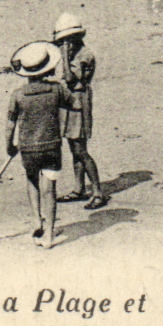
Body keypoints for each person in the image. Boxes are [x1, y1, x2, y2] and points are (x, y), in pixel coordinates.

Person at [6, 40, 75, 248]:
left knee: (31, 180)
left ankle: (37, 220)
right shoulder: (57, 89)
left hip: (28, 148)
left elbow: (10, 124)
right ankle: (49, 236)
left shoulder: (18, 95)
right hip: (51, 145)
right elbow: (74, 104)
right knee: (50, 189)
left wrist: (9, 145)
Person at [53, 15, 107, 210]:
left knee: (81, 150)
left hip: (78, 102)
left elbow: (69, 79)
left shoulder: (85, 55)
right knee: (73, 148)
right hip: (69, 104)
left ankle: (98, 191)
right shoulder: (77, 53)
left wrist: (65, 58)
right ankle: (79, 188)